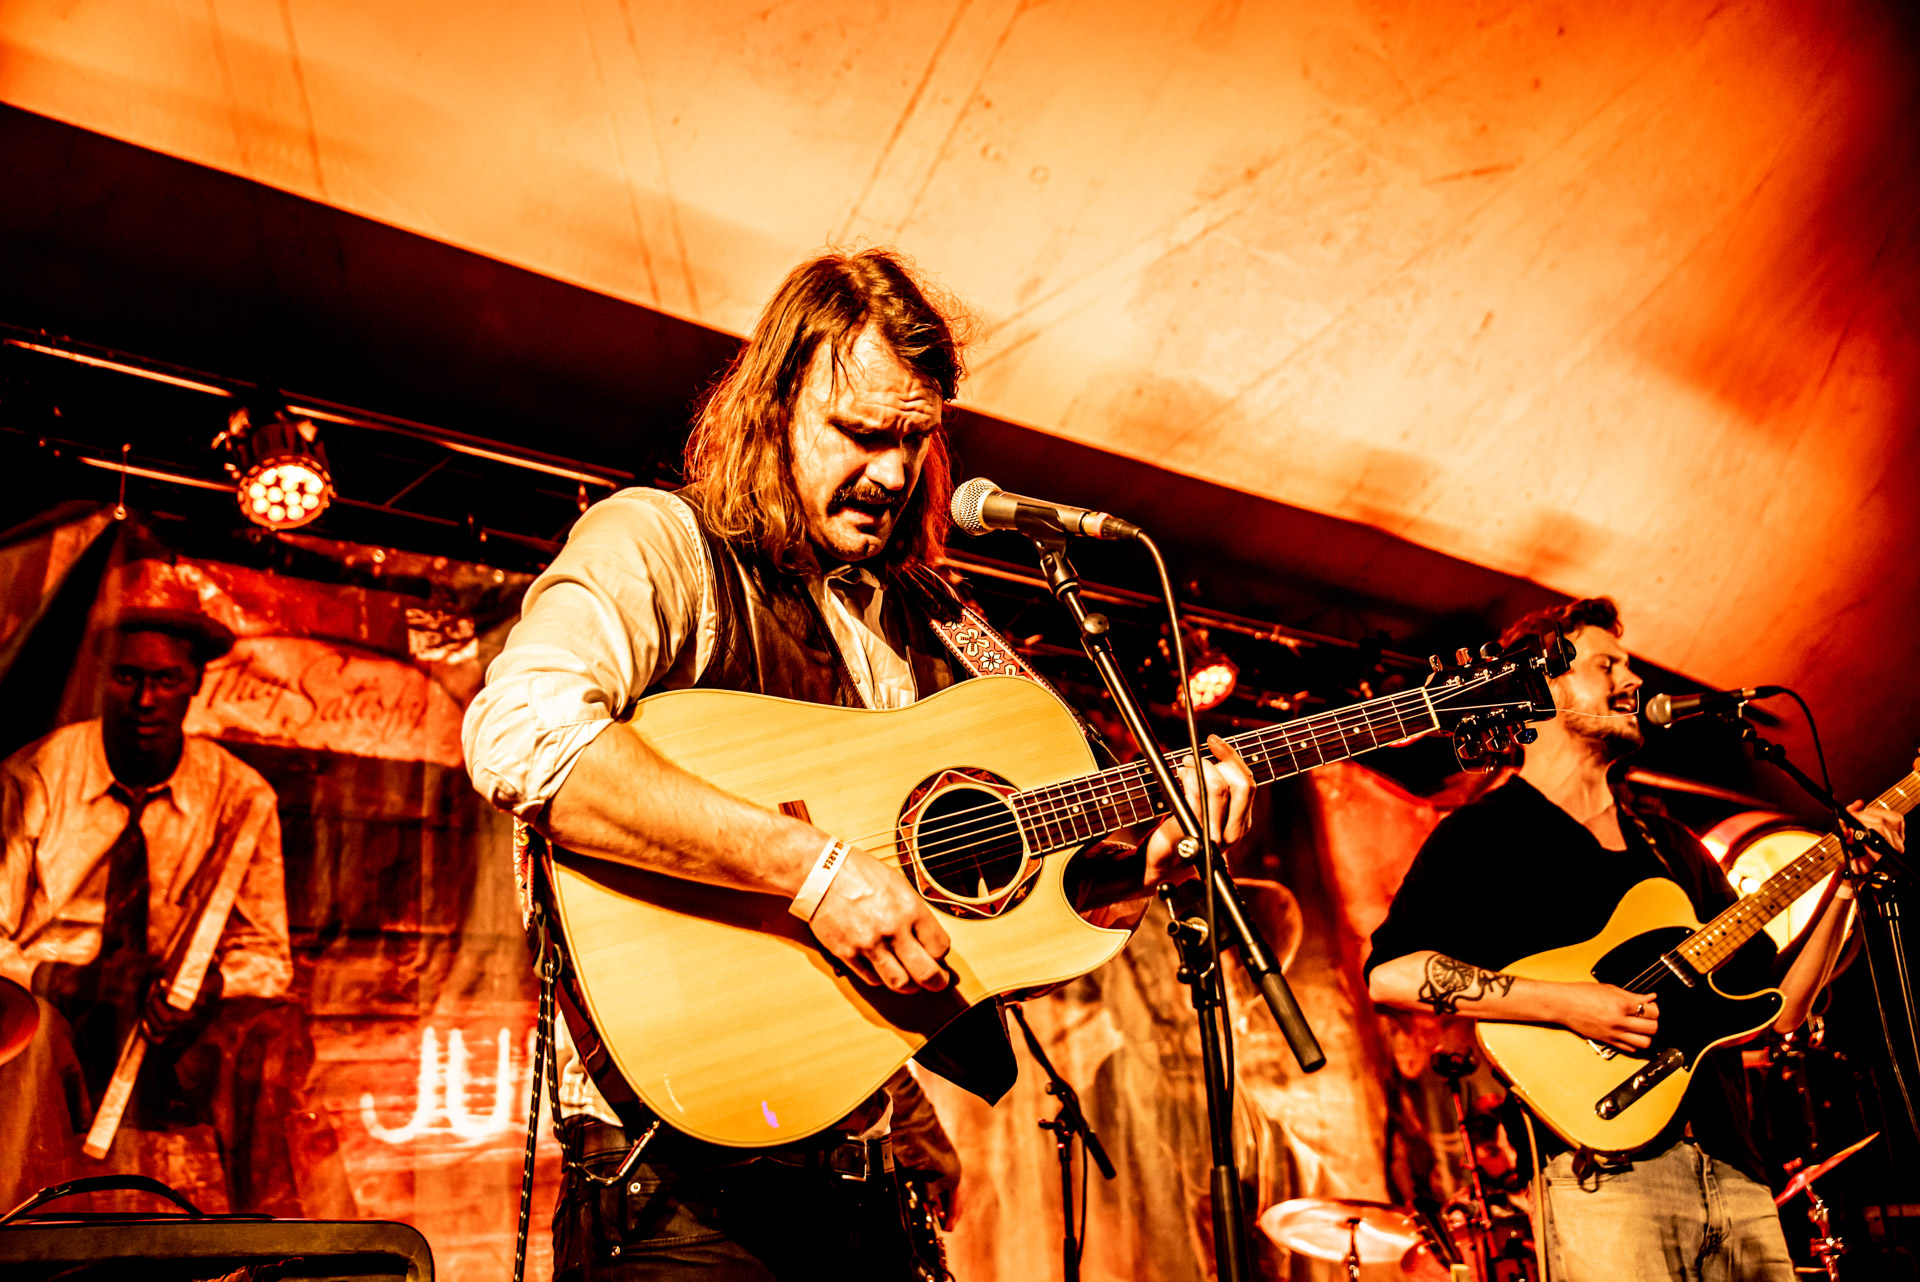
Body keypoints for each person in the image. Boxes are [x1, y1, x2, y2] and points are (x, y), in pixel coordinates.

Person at [462, 247, 1255, 1280]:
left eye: (914, 439)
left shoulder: (932, 619)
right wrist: (815, 871)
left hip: (859, 1181)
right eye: (859, 432)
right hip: (675, 1199)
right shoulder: (662, 542)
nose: (890, 472)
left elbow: (1008, 896)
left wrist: (1144, 858)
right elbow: (522, 733)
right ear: (772, 407)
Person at [1365, 597, 1904, 1281]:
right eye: (1607, 665)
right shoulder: (1483, 834)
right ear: (1541, 685)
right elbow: (1390, 974)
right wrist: (1569, 1004)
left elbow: (1784, 1009)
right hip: (1604, 1179)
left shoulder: (1671, 844)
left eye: (1629, 666)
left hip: (1737, 1174)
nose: (1634, 681)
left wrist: (1847, 886)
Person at [0, 607, 304, 1213]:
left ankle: (277, 1240)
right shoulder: (34, 776)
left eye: (166, 680)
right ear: (100, 676)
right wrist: (57, 978)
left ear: (195, 683)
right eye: (127, 677)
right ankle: (35, 1233)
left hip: (167, 1013)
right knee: (32, 1040)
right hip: (53, 999)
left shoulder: (241, 795)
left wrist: (210, 985)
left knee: (271, 1038)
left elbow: (269, 957)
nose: (145, 701)